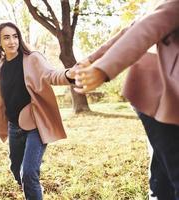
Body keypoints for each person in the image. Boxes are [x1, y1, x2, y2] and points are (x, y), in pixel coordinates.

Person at [74, 0, 179, 199]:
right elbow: (143, 29)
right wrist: (101, 66)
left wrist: (92, 60)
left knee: (163, 168)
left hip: (162, 99)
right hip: (158, 95)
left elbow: (134, 28)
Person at [0, 22, 76, 200]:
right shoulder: (0, 67)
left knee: (28, 173)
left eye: (15, 36)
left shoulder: (32, 58)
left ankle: (32, 186)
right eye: (6, 37)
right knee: (16, 170)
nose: (12, 41)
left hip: (36, 124)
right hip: (15, 127)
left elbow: (51, 75)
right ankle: (32, 188)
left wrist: (69, 75)